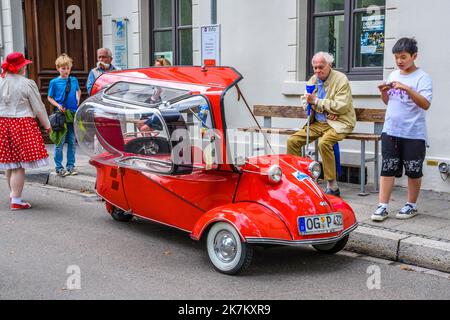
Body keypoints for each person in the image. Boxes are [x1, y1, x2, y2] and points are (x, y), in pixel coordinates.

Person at [371, 38, 433, 222]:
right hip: (390, 130)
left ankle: (411, 205)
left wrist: (406, 88)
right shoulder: (393, 75)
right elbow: (388, 101)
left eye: (403, 57)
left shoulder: (422, 77)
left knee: (413, 170)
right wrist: (383, 92)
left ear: (414, 56)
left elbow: (425, 103)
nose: (399, 61)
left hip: (414, 132)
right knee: (387, 168)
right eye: (397, 57)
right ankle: (383, 205)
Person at [287, 52, 356, 197]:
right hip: (318, 122)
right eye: (315, 68)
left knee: (324, 143)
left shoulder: (341, 79)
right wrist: (322, 108)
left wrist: (318, 102)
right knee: (292, 141)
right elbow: (305, 101)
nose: (318, 71)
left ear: (329, 65)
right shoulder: (313, 80)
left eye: (321, 67)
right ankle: (299, 180)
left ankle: (332, 185)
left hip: (339, 123)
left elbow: (342, 106)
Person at [0, 52, 52, 210]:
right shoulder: (27, 83)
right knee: (18, 166)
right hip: (22, 124)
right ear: (20, 67)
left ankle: (13, 194)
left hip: (2, 123)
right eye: (24, 65)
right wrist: (47, 125)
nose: (25, 67)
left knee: (10, 163)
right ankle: (16, 199)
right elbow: (38, 108)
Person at [48, 54, 81, 177]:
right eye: (63, 68)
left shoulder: (73, 80)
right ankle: (59, 167)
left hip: (72, 113)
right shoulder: (54, 82)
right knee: (60, 143)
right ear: (58, 68)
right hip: (61, 115)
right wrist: (58, 105)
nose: (66, 71)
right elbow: (49, 97)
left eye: (67, 68)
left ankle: (71, 166)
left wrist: (78, 98)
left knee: (72, 141)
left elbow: (78, 90)